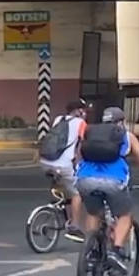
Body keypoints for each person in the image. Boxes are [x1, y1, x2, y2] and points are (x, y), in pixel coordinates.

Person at [76, 107, 139, 274]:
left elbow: (78, 157)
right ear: (122, 122)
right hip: (113, 181)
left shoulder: (89, 132)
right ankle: (115, 251)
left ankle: (91, 251)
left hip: (85, 179)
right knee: (126, 214)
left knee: (93, 213)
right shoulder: (127, 136)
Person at [39, 99, 87, 243]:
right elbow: (80, 146)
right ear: (79, 111)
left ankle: (60, 211)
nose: (85, 113)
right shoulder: (81, 123)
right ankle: (74, 226)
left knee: (63, 190)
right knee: (77, 193)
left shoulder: (58, 119)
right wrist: (80, 163)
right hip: (63, 163)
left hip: (46, 161)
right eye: (83, 110)